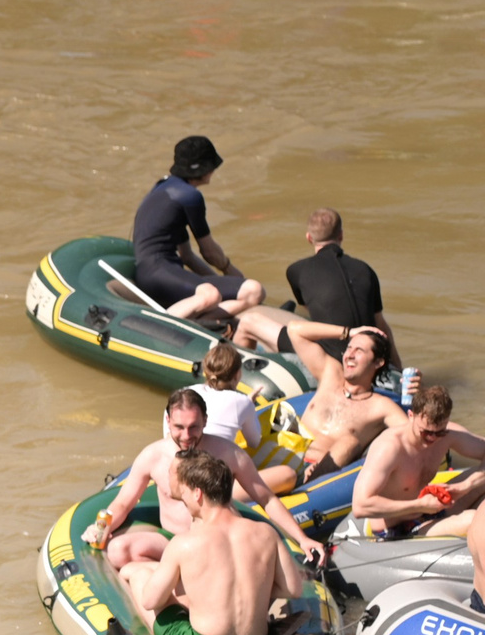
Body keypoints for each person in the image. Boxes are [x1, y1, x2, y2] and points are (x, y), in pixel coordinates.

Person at [88, 388, 323, 575]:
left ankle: (174, 582)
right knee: (118, 551)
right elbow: (123, 503)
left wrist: (301, 538)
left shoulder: (227, 453)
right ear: (168, 421)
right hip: (173, 541)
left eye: (194, 427)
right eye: (179, 427)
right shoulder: (153, 456)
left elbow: (266, 498)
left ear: (205, 421)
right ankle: (176, 579)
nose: (187, 436)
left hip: (219, 543)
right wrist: (101, 528)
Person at [117, 451, 299, 635]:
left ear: (197, 493)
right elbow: (293, 589)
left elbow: (151, 600)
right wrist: (256, 589)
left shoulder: (184, 543)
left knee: (140, 576)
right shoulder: (266, 533)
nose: (183, 498)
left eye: (184, 491)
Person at [256, 327, 404, 494]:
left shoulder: (381, 406)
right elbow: (295, 331)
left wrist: (416, 390)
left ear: (378, 362)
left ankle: (306, 487)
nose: (350, 355)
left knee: (349, 442)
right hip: (281, 455)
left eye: (359, 350)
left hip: (316, 471)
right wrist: (348, 332)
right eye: (349, 348)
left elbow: (413, 434)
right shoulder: (331, 374)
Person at [129, 135, 261, 321]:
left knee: (236, 290)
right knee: (247, 291)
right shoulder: (190, 196)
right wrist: (228, 269)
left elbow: (187, 256)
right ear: (204, 168)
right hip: (160, 273)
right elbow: (209, 252)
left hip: (151, 274)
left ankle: (196, 320)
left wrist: (224, 281)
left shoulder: (165, 187)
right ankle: (163, 325)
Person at [344, 386, 485, 541]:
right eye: (425, 432)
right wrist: (419, 505)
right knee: (475, 519)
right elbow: (360, 506)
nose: (433, 438)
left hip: (427, 510)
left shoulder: (448, 435)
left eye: (439, 432)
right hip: (397, 528)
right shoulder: (389, 447)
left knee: (479, 483)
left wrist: (466, 486)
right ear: (411, 415)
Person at [284, 208, 392, 349]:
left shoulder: (295, 270)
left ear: (309, 238)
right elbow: (380, 323)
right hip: (368, 350)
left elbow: (313, 310)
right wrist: (397, 365)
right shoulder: (365, 269)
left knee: (252, 321)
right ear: (341, 235)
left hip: (329, 353)